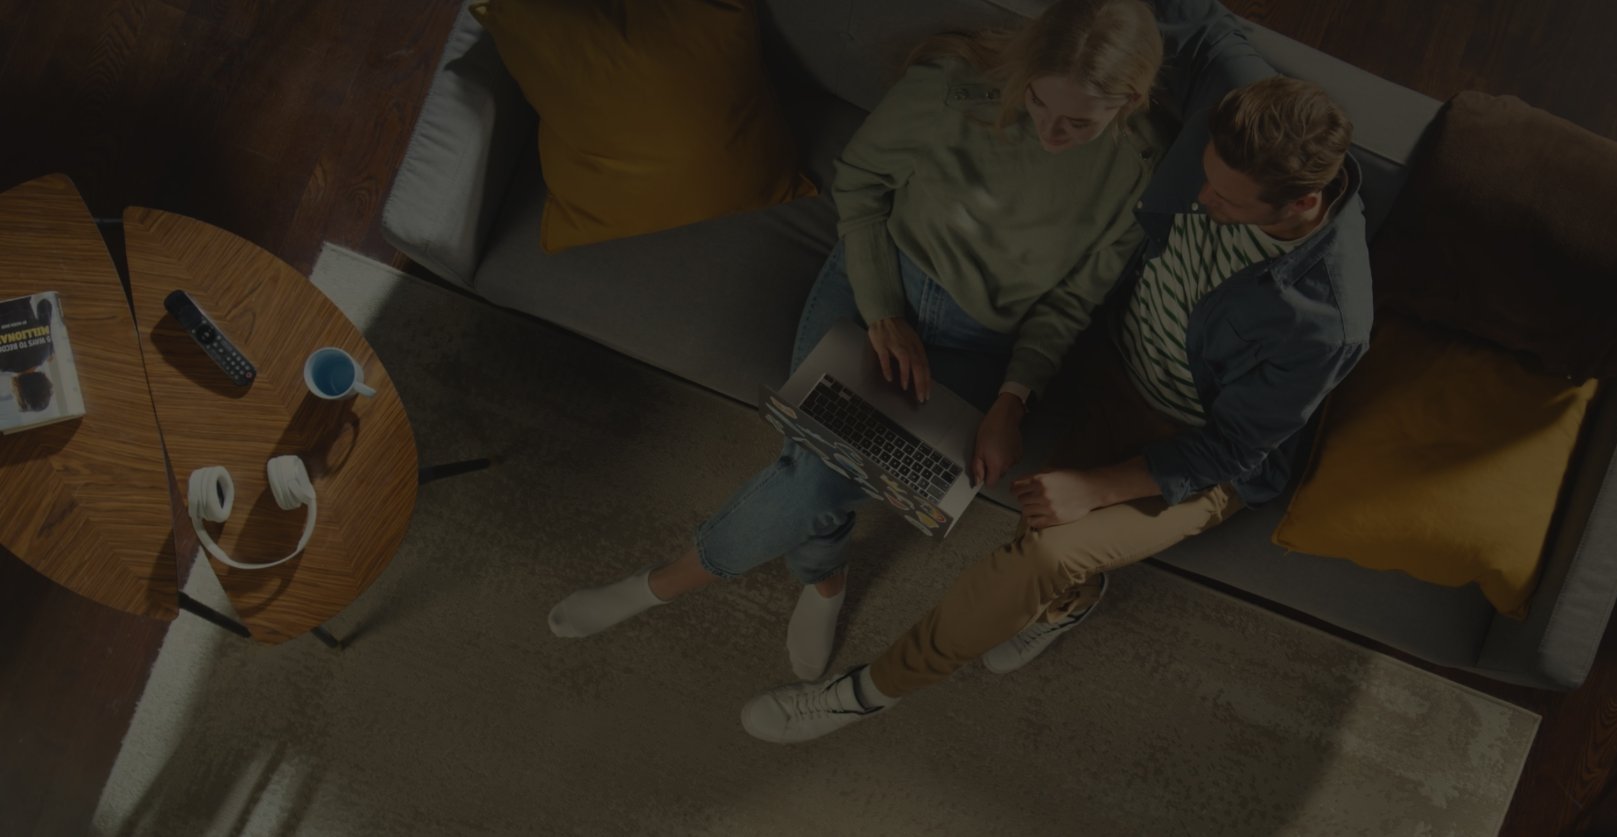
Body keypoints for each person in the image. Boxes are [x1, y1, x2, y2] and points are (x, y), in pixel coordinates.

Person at [736, 0, 1372, 744]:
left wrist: (1096, 488)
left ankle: (863, 695)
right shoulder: (1237, 101)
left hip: (1202, 446)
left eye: (1225, 202)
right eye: (1203, 178)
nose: (1200, 201)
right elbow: (1193, 18)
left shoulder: (1325, 321)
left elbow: (1233, 449)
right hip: (1116, 369)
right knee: (873, 447)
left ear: (1302, 204)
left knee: (1042, 553)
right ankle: (1069, 599)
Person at [545, 0, 1168, 684]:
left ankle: (772, 581)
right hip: (877, 284)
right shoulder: (957, 89)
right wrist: (882, 313)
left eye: (1078, 123)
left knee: (818, 473)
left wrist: (1012, 401)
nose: (1050, 130)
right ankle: (750, 584)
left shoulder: (1137, 176)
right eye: (1039, 101)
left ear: (1130, 100)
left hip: (980, 344)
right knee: (817, 467)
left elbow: (1069, 304)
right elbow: (863, 183)